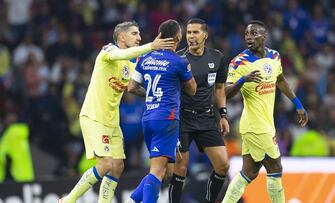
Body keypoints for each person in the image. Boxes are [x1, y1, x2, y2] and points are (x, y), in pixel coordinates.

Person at [57, 21, 175, 203]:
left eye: (139, 34)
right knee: (105, 165)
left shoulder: (132, 63)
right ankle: (67, 200)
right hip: (94, 117)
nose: (139, 38)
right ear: (122, 37)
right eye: (134, 34)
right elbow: (125, 54)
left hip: (112, 121)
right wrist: (152, 46)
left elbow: (143, 79)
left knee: (118, 166)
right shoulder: (107, 52)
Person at [222, 20, 308, 203]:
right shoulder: (239, 62)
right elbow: (224, 93)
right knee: (275, 168)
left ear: (264, 35)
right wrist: (243, 80)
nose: (249, 37)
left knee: (249, 172)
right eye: (246, 34)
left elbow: (281, 80)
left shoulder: (275, 56)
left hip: (264, 123)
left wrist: (298, 104)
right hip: (255, 126)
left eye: (254, 33)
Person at [125, 19, 197, 203]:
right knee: (157, 171)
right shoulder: (179, 61)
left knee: (166, 171)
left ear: (160, 36)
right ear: (178, 38)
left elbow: (132, 87)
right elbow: (192, 89)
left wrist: (150, 93)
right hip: (167, 119)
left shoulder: (146, 58)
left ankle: (132, 201)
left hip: (148, 118)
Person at [168, 18, 230, 203]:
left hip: (207, 117)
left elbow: (219, 89)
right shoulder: (177, 58)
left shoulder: (217, 58)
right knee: (180, 167)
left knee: (223, 166)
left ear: (205, 35)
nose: (191, 36)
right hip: (182, 118)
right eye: (188, 32)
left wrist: (223, 115)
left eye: (195, 32)